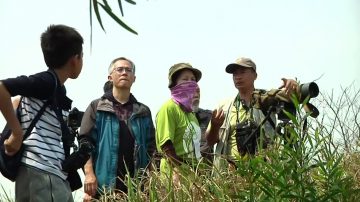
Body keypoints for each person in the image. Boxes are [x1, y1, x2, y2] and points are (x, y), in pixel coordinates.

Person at [0, 24, 84, 201]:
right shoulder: (47, 81)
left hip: (47, 172)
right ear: (75, 59)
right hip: (43, 171)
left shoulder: (57, 89)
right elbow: (2, 88)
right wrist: (16, 133)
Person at [80, 57, 156, 199]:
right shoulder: (97, 107)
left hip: (136, 189)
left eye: (128, 70)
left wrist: (152, 181)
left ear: (134, 78)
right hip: (104, 187)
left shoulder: (143, 111)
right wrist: (89, 175)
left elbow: (151, 149)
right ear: (110, 77)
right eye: (119, 69)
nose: (124, 73)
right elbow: (85, 143)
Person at [206, 57, 299, 169]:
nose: (238, 77)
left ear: (255, 75)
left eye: (242, 72)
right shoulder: (224, 107)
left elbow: (295, 96)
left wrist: (294, 84)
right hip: (230, 175)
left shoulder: (266, 99)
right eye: (234, 74)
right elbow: (210, 141)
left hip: (263, 173)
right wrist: (215, 126)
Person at [155, 63, 203, 181]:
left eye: (193, 80)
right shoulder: (169, 108)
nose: (190, 83)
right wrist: (177, 169)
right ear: (174, 84)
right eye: (185, 79)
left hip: (193, 178)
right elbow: (166, 146)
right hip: (174, 177)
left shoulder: (191, 114)